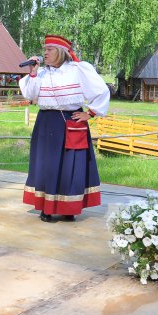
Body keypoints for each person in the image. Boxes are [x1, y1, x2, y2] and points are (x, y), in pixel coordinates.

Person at [19, 34, 110, 222]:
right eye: (45, 49)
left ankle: (69, 208)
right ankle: (47, 207)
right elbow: (30, 94)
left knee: (71, 167)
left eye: (49, 49)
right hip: (46, 122)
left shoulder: (78, 70)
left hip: (71, 122)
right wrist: (33, 72)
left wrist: (90, 113)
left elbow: (102, 91)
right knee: (47, 166)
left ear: (60, 52)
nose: (45, 53)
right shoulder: (41, 73)